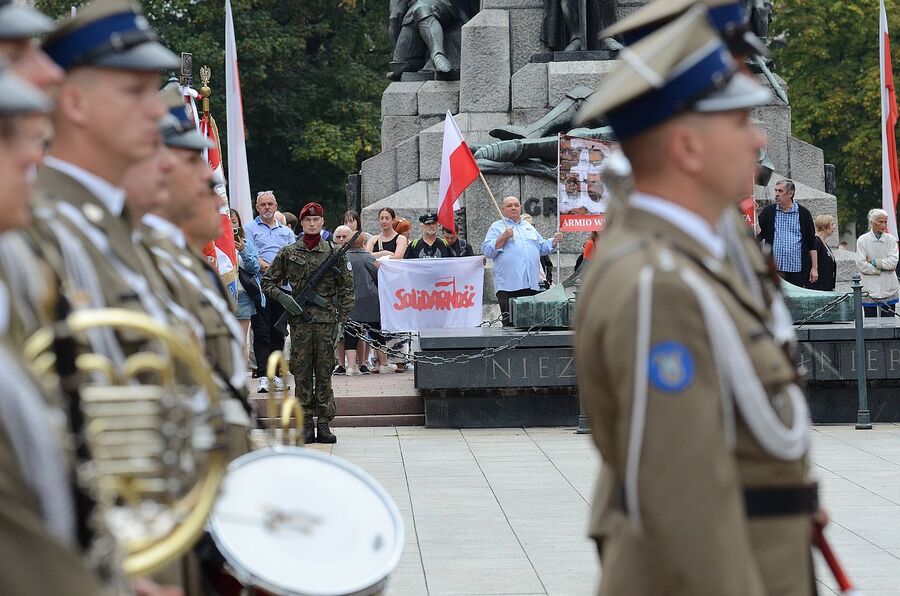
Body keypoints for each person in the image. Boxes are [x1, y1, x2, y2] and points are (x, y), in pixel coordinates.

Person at [573, 8, 816, 596]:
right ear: (686, 146)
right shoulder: (659, 286)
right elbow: (684, 507)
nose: (759, 138)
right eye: (739, 120)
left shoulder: (695, 249)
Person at [262, 202, 354, 444]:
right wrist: (285, 298)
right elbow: (268, 282)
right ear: (301, 223)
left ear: (322, 222)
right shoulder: (289, 252)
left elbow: (347, 289)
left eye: (316, 220)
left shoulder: (333, 253)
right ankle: (304, 423)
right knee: (302, 374)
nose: (312, 224)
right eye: (307, 220)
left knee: (324, 373)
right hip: (300, 324)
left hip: (326, 324)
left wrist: (341, 322)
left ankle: (323, 423)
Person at [243, 190, 296, 392]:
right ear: (257, 207)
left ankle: (276, 375)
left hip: (282, 288)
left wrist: (282, 273)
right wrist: (272, 270)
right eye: (263, 204)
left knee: (278, 332)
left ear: (276, 206)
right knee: (261, 332)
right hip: (260, 286)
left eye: (270, 204)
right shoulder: (249, 228)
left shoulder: (287, 232)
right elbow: (250, 254)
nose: (267, 207)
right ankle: (263, 376)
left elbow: (293, 256)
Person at [481, 196, 562, 325]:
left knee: (530, 325)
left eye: (516, 205)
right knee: (511, 325)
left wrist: (554, 241)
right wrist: (503, 236)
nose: (513, 208)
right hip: (509, 286)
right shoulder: (496, 227)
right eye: (509, 206)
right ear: (502, 209)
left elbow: (541, 248)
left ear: (520, 207)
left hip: (531, 284)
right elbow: (487, 251)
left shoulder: (528, 226)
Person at [757, 179, 818, 287]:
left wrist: (814, 268)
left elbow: (811, 242)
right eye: (775, 190)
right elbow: (759, 235)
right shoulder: (768, 212)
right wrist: (754, 215)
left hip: (797, 269)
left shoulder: (803, 213)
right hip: (775, 269)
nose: (776, 194)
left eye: (780, 191)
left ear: (790, 193)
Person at [344, 233, 383, 375]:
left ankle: (351, 366)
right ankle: (384, 363)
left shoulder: (343, 258)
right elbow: (378, 276)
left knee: (350, 334)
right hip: (370, 300)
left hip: (351, 300)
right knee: (377, 332)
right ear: (363, 243)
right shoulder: (368, 257)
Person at [230, 208, 263, 357]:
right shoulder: (214, 244)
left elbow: (255, 268)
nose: (231, 225)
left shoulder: (246, 244)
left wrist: (243, 251)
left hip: (242, 295)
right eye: (227, 222)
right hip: (222, 294)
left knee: (240, 341)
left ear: (239, 224)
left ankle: (241, 371)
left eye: (234, 222)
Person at [856, 208, 899, 317]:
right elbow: (861, 264)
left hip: (888, 287)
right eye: (880, 221)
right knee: (870, 321)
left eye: (885, 222)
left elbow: (893, 262)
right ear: (871, 222)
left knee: (889, 321)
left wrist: (873, 261)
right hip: (869, 288)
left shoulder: (891, 240)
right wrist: (880, 269)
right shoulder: (862, 240)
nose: (883, 225)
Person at [809, 214, 837, 292]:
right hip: (817, 287)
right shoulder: (816, 242)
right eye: (832, 224)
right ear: (824, 226)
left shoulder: (825, 244)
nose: (834, 227)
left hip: (826, 286)